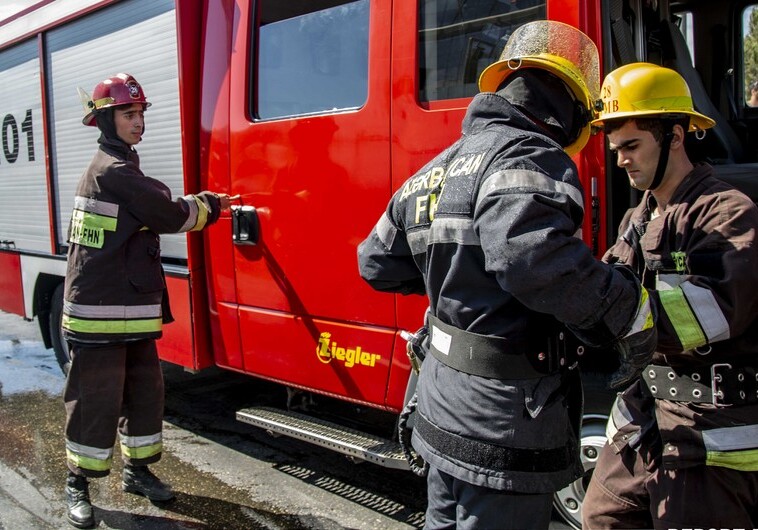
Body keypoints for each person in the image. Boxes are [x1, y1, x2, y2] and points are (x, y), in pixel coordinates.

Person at [357, 21, 657, 530]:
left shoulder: (435, 168)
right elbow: (531, 261)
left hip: (441, 406)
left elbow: (376, 263)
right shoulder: (532, 155)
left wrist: (455, 277)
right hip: (502, 422)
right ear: (570, 109)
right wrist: (628, 311)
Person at [582, 63, 758, 529]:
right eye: (616, 148)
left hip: (710, 432)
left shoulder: (727, 215)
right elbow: (610, 287)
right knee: (602, 517)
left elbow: (705, 316)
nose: (621, 160)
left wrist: (606, 304)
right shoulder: (637, 218)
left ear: (675, 136)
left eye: (632, 146)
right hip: (645, 420)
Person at [63, 73, 231, 529]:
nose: (139, 123)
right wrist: (212, 206)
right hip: (100, 312)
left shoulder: (119, 166)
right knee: (95, 400)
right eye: (128, 114)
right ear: (104, 120)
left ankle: (138, 471)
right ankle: (77, 484)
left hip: (127, 305)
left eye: (140, 114)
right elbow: (171, 213)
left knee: (144, 393)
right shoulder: (113, 172)